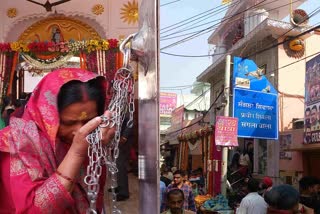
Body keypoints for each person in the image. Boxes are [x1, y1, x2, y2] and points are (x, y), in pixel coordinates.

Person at [0, 68, 116, 213]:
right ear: (46, 116)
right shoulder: (13, 142)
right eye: (68, 123)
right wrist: (77, 153)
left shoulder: (95, 137)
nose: (79, 131)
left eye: (89, 122)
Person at [115, 114, 134, 201]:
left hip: (124, 141)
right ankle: (119, 187)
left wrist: (125, 136)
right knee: (117, 166)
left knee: (121, 165)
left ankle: (123, 193)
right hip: (118, 139)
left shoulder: (126, 103)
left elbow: (130, 121)